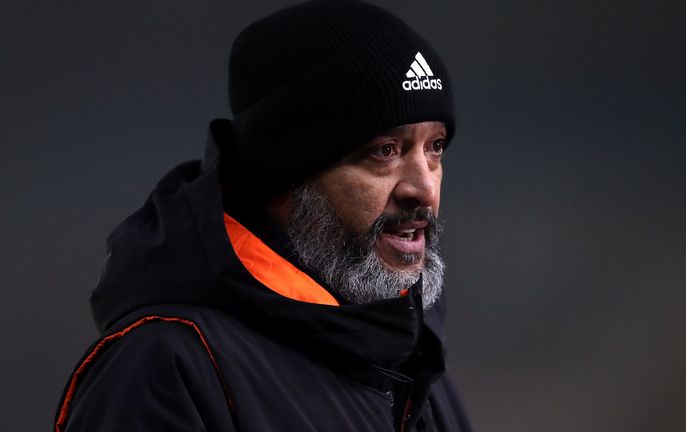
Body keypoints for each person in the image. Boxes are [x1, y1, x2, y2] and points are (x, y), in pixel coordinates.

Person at [54, 0, 472, 430]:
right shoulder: (165, 371)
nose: (423, 189)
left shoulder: (410, 359)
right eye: (385, 152)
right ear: (285, 174)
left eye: (435, 147)